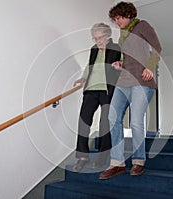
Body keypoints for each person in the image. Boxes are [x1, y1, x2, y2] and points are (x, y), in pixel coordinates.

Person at [99, 2, 162, 179]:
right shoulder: (122, 35)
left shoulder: (143, 26)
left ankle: (138, 161)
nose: (116, 22)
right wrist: (120, 63)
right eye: (114, 19)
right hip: (123, 80)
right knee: (112, 118)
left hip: (142, 81)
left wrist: (150, 67)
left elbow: (157, 47)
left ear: (126, 14)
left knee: (135, 121)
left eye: (117, 18)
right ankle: (117, 163)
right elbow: (127, 58)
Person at [73, 23, 122, 172]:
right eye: (95, 39)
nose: (98, 41)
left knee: (105, 124)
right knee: (83, 122)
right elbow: (90, 66)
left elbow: (123, 65)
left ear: (108, 36)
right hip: (91, 90)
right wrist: (83, 78)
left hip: (107, 90)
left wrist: (120, 66)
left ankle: (102, 157)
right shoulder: (94, 49)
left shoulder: (116, 48)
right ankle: (82, 157)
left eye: (101, 37)